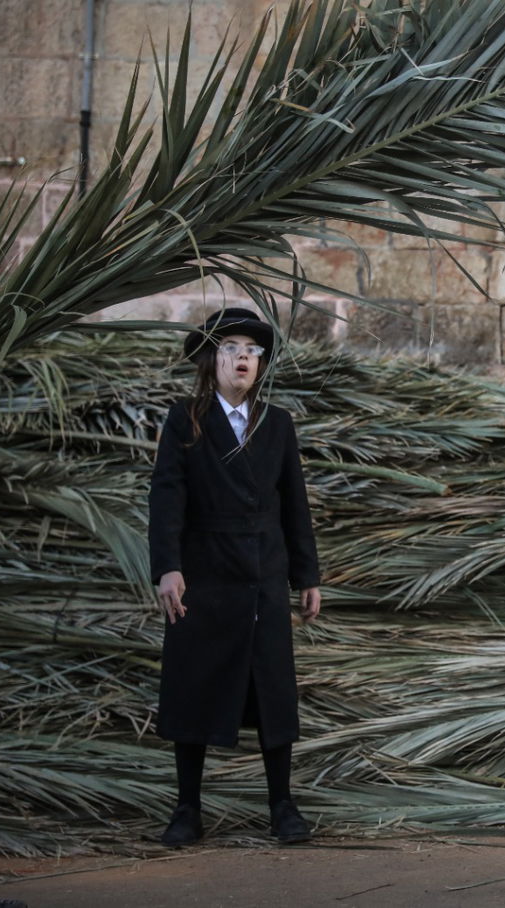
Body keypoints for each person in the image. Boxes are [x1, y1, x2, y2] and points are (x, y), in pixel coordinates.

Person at [149, 307, 322, 847]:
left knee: (273, 689)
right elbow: (167, 497)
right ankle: (187, 809)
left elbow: (295, 504)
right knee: (193, 686)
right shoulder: (187, 418)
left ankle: (282, 806)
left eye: (252, 350)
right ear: (211, 359)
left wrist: (306, 575)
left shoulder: (277, 423)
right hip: (205, 576)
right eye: (230, 348)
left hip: (263, 575)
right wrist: (168, 568)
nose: (243, 357)